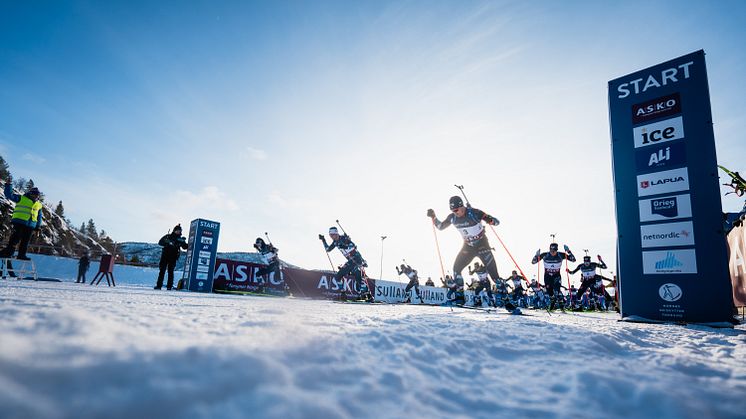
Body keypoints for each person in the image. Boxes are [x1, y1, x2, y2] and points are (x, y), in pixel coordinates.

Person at [428, 196, 517, 313]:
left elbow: (496, 222)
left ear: (462, 206)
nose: (455, 213)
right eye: (453, 211)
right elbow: (440, 227)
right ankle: (460, 297)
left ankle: (507, 302)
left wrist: (490, 220)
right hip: (468, 247)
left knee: (495, 277)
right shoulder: (452, 218)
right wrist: (433, 216)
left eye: (456, 210)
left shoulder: (474, 213)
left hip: (482, 245)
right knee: (456, 269)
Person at [319, 227, 372, 301]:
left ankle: (344, 293)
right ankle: (368, 296)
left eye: (332, 235)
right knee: (358, 279)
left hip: (356, 259)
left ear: (336, 233)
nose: (331, 237)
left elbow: (353, 246)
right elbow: (328, 249)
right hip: (352, 260)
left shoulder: (344, 238)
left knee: (338, 276)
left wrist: (345, 246)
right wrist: (323, 240)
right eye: (330, 235)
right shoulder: (335, 242)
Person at [0, 181, 43, 260]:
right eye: (33, 194)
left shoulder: (39, 205)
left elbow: (39, 216)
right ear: (30, 193)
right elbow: (9, 195)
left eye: (37, 195)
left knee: (25, 241)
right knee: (15, 238)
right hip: (19, 222)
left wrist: (38, 227)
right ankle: (8, 252)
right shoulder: (22, 198)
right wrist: (8, 185)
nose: (35, 196)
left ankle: (21, 255)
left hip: (31, 225)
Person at [531, 242, 576, 310]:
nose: (552, 252)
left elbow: (573, 260)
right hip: (547, 276)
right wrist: (536, 255)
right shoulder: (545, 255)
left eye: (554, 251)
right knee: (550, 292)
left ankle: (561, 303)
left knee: (556, 290)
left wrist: (568, 251)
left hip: (556, 276)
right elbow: (533, 262)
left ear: (557, 250)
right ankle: (552, 301)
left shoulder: (561, 255)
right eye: (551, 251)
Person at [155, 224, 188, 290]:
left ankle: (169, 286)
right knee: (162, 271)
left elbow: (185, 247)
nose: (178, 232)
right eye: (177, 230)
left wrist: (184, 242)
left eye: (179, 231)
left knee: (171, 272)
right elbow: (160, 242)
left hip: (173, 257)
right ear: (174, 230)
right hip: (165, 256)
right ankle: (159, 286)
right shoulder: (168, 236)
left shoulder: (180, 239)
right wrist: (168, 242)